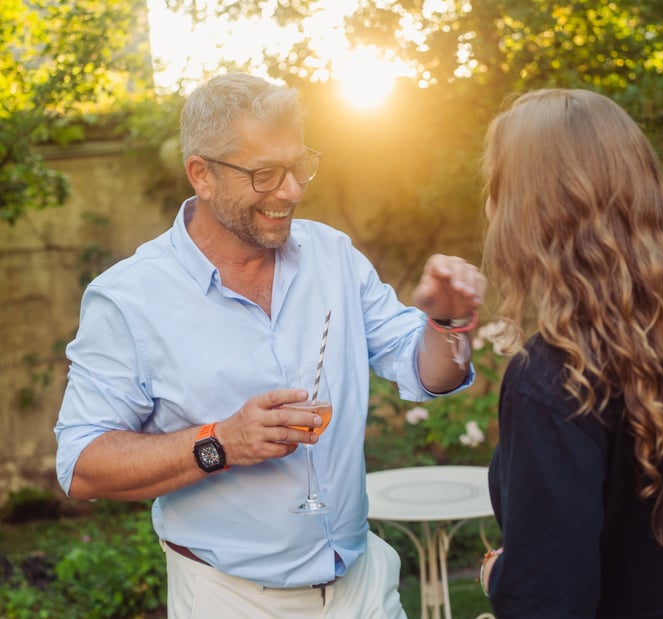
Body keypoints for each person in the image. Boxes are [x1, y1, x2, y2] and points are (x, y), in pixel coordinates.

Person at [54, 72, 486, 619]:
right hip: (229, 599)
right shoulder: (128, 298)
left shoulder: (335, 256)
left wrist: (446, 322)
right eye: (265, 174)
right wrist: (222, 443)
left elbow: (426, 370)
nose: (292, 190)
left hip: (361, 588)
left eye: (299, 164)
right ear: (201, 175)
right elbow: (82, 465)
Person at [477, 88, 663, 619]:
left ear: (524, 211)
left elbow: (549, 602)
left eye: (495, 186)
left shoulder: (552, 377)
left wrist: (503, 578)